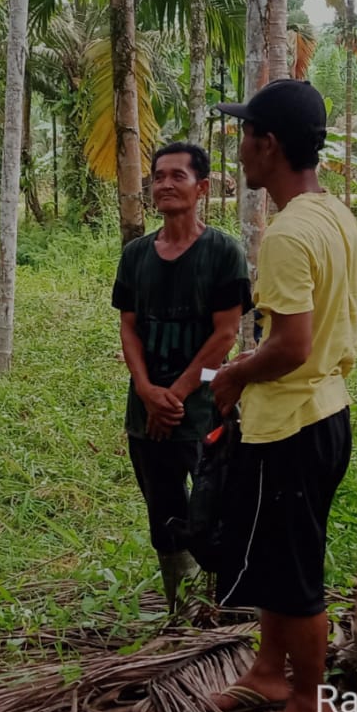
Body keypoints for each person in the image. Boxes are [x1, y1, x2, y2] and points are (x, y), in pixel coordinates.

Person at [209, 79, 357, 712]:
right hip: (325, 412)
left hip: (293, 423)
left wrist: (238, 374)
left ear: (269, 146)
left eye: (245, 135)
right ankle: (269, 672)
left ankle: (307, 705)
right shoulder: (335, 215)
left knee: (296, 569)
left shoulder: (287, 235)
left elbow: (293, 344)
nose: (238, 147)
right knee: (276, 555)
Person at [113, 143, 250, 614]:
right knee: (164, 509)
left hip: (208, 403)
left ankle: (230, 606)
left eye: (178, 176)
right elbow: (128, 327)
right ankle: (185, 607)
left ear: (202, 188)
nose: (165, 184)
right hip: (147, 409)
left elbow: (226, 333)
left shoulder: (223, 252)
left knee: (220, 504)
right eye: (159, 177)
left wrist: (178, 392)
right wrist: (148, 392)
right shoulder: (135, 255)